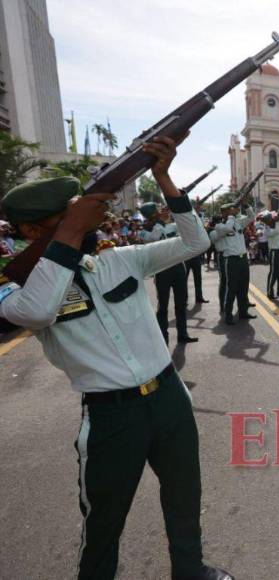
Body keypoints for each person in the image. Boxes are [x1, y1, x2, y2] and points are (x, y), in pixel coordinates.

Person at [0, 137, 232, 580]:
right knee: (104, 520)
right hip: (110, 415)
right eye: (68, 215)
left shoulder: (117, 261)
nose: (91, 218)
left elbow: (195, 241)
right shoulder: (18, 288)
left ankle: (190, 569)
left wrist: (163, 178)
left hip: (168, 397)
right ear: (31, 232)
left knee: (184, 493)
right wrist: (69, 233)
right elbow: (36, 312)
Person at [139, 202, 198, 344]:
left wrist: (183, 211)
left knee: (181, 303)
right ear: (153, 214)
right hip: (162, 270)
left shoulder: (170, 226)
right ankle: (163, 338)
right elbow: (155, 238)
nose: (162, 211)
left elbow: (190, 226)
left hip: (178, 267)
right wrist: (159, 222)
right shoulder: (144, 231)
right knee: (163, 306)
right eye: (158, 210)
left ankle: (182, 334)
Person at [210, 201, 257, 325]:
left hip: (242, 259)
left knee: (243, 287)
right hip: (231, 260)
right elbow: (227, 229)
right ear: (224, 213)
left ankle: (243, 312)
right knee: (231, 288)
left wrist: (246, 205)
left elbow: (252, 217)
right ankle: (228, 315)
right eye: (231, 210)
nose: (234, 211)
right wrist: (231, 216)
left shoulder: (238, 222)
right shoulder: (219, 226)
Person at [262, 205, 279, 300]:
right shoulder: (267, 229)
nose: (272, 219)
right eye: (270, 219)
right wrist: (278, 217)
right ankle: (270, 292)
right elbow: (277, 230)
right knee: (274, 272)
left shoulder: (275, 224)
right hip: (274, 252)